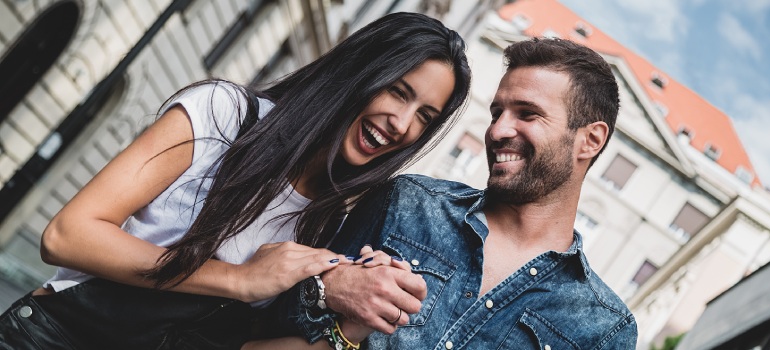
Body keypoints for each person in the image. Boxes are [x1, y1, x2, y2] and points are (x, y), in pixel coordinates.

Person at [0, 12, 470, 350]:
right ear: (359, 71)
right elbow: (67, 236)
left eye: (424, 117)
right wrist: (239, 279)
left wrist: (353, 326)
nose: (402, 123)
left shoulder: (328, 223)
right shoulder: (224, 115)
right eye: (397, 90)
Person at [252, 37, 639, 349]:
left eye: (527, 114)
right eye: (496, 113)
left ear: (589, 140)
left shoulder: (604, 329)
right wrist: (328, 290)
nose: (498, 130)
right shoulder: (406, 203)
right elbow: (271, 322)